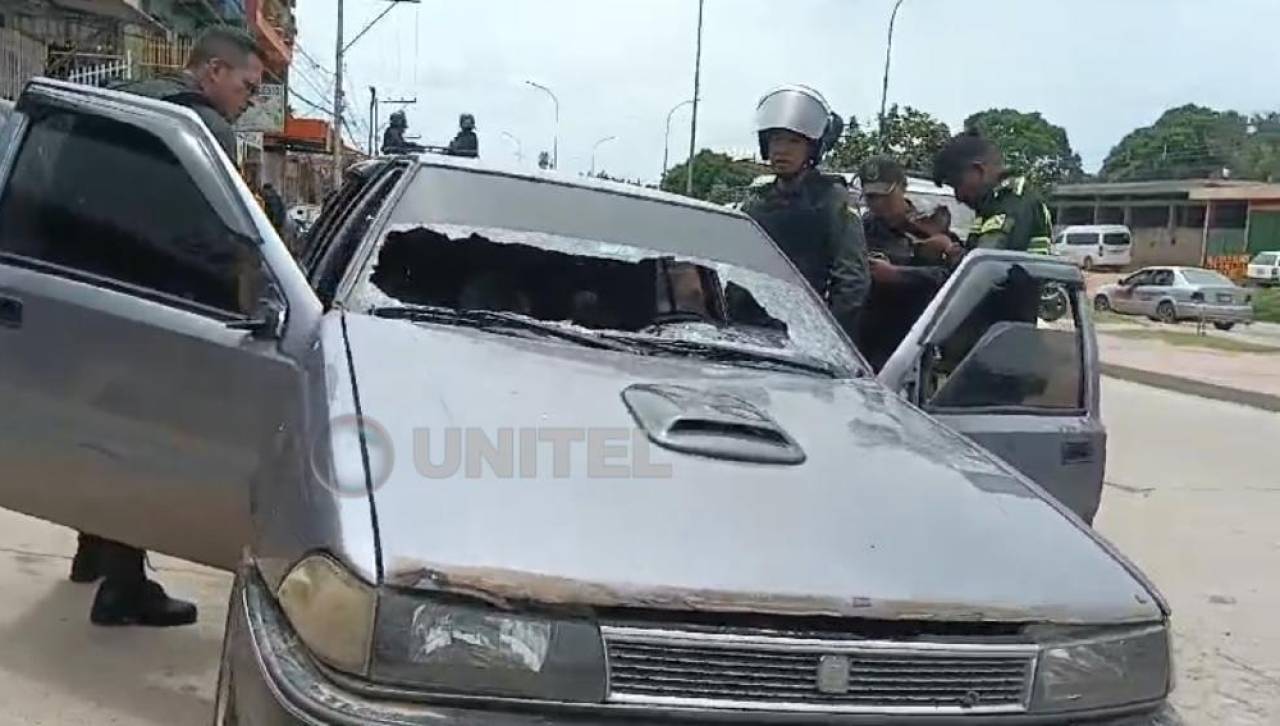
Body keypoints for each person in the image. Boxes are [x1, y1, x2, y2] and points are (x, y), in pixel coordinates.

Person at [73, 26, 268, 628]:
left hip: (95, 296)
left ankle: (92, 551)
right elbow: (216, 234)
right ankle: (123, 588)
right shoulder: (204, 127)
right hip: (161, 308)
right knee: (145, 448)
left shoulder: (136, 104)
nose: (250, 98)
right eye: (247, 84)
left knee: (104, 431)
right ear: (212, 71)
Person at [741, 85, 868, 341]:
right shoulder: (756, 202)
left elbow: (852, 281)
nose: (781, 149)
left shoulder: (832, 201)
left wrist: (823, 337)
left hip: (804, 337)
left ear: (812, 147)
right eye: (776, 139)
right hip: (747, 331)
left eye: (793, 141)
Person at [857, 156, 963, 369]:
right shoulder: (862, 228)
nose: (877, 204)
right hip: (866, 335)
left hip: (911, 339)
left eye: (885, 196)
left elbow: (954, 278)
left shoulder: (929, 226)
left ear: (902, 188)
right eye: (871, 197)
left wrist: (898, 274)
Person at [115, 26, 263, 161]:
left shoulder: (119, 98)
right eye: (249, 87)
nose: (252, 101)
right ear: (216, 70)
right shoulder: (209, 131)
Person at [932, 129, 1054, 254]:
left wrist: (948, 250)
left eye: (957, 185)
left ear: (978, 171)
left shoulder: (1012, 205)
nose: (958, 197)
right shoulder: (991, 206)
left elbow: (986, 266)